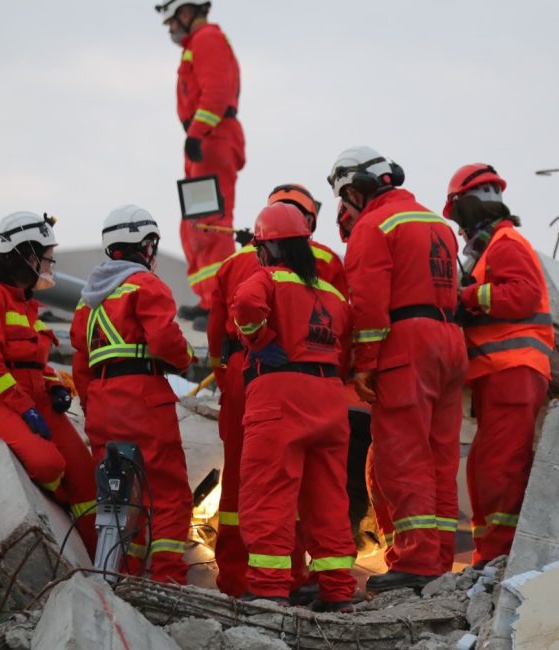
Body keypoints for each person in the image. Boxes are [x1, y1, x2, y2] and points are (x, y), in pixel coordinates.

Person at [328, 146, 467, 592]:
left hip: (408, 345)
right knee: (440, 457)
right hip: (448, 342)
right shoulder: (436, 224)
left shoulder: (374, 225)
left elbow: (368, 303)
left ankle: (418, 561)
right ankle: (438, 559)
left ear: (352, 189)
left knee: (401, 456)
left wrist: (366, 365)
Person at [205, 183, 347, 599]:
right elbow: (348, 336)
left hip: (271, 384)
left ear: (263, 243)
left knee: (263, 491)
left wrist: (259, 340)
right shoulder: (332, 285)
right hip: (328, 391)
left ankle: (266, 589)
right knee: (327, 500)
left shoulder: (255, 271)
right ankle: (337, 589)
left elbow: (239, 310)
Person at [70, 204, 195, 583]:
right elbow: (164, 340)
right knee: (168, 492)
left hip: (102, 402)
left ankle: (120, 574)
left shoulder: (88, 299)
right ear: (145, 244)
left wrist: (93, 405)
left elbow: (80, 360)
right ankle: (168, 580)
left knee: (117, 495)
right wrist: (185, 357)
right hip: (143, 398)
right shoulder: (146, 284)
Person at [0, 212, 97, 553]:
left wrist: (54, 386)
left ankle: (101, 562)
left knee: (85, 474)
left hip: (36, 399)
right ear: (28, 255)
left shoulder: (23, 300)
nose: (50, 262)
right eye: (45, 254)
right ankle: (61, 507)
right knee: (49, 464)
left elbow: (33, 360)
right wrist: (24, 409)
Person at [444, 163, 553, 566]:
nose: (458, 230)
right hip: (502, 374)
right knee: (487, 465)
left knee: (499, 466)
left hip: (513, 370)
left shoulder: (505, 243)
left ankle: (498, 556)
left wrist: (468, 299)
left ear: (469, 208)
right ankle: (491, 552)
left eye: (458, 220)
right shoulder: (497, 246)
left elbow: (522, 294)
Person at [156, 0, 245, 328]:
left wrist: (196, 132)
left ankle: (218, 300)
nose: (170, 30)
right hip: (207, 139)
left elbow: (217, 90)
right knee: (199, 223)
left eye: (171, 22)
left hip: (211, 138)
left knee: (209, 222)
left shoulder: (206, 39)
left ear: (184, 12)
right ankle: (210, 298)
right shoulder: (201, 42)